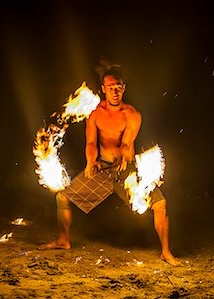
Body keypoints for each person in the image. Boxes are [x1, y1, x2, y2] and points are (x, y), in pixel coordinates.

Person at [39, 66, 178, 266]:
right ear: (103, 89)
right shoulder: (95, 114)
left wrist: (121, 157)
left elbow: (126, 142)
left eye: (118, 87)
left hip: (126, 171)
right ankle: (63, 240)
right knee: (62, 198)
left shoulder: (131, 114)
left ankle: (166, 251)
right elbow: (90, 143)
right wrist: (91, 162)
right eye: (110, 87)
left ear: (124, 88)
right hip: (102, 170)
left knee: (160, 204)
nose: (115, 91)